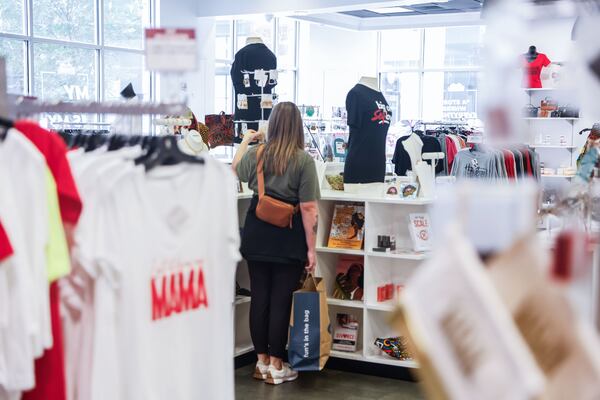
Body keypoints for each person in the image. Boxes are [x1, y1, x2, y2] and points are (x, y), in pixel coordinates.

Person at [232, 102, 320, 385]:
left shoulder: (258, 154)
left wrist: (247, 139)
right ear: (297, 126)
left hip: (256, 235)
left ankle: (262, 363)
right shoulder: (303, 161)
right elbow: (309, 209)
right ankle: (278, 366)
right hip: (288, 237)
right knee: (281, 300)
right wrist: (311, 248)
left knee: (260, 298)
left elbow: (235, 169)